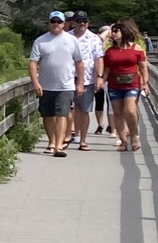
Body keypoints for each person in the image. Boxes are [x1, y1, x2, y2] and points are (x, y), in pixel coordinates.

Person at [28, 10, 83, 157]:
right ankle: (51, 142)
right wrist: (35, 82)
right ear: (49, 23)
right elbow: (33, 63)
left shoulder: (71, 40)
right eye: (53, 22)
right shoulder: (40, 41)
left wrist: (80, 84)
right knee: (47, 115)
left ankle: (59, 145)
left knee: (62, 114)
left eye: (59, 22)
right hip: (46, 85)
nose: (56, 24)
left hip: (65, 85)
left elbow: (79, 63)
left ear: (64, 24)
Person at [103, 19, 151, 151]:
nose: (113, 33)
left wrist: (145, 83)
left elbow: (143, 68)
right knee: (117, 113)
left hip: (132, 84)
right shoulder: (110, 51)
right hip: (114, 85)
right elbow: (106, 69)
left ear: (123, 32)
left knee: (129, 111)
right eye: (112, 31)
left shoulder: (136, 48)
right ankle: (123, 141)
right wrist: (101, 82)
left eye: (116, 31)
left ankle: (134, 136)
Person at [66, 12, 103, 150]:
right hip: (68, 78)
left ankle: (82, 140)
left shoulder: (94, 38)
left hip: (87, 79)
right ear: (74, 22)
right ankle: (68, 135)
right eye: (79, 20)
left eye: (84, 21)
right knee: (67, 109)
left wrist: (99, 77)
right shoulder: (67, 37)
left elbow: (99, 58)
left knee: (84, 110)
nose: (82, 23)